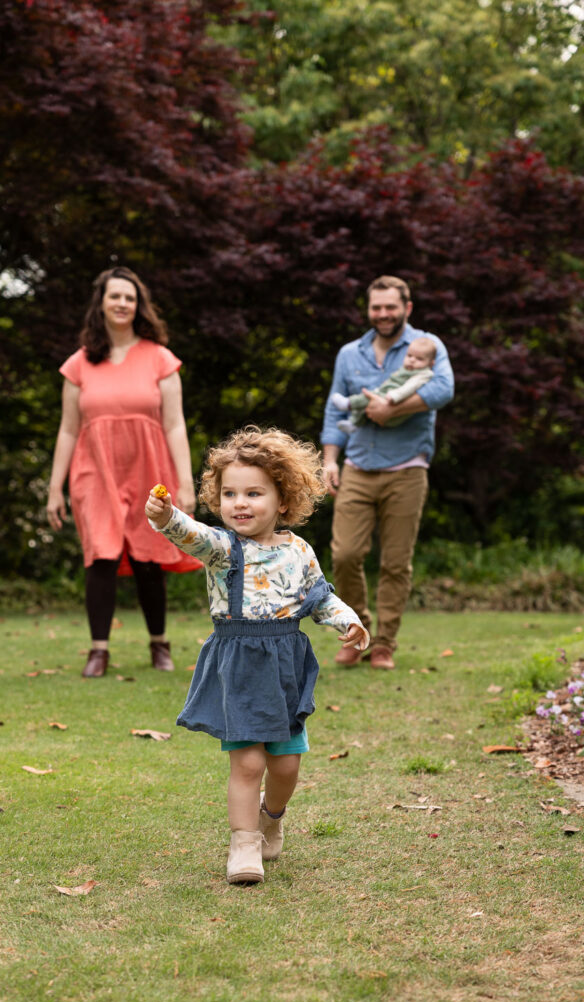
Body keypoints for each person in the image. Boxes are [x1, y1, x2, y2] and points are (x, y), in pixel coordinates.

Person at [145, 427, 369, 885]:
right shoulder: (223, 549)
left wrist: (348, 621)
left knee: (286, 766)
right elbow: (191, 534)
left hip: (286, 666)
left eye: (253, 493)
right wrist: (167, 516)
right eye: (229, 494)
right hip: (240, 665)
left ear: (283, 500)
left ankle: (272, 816)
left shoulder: (298, 551)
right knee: (247, 762)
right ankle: (243, 844)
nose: (239, 504)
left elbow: (320, 597)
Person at [46, 266, 201, 678]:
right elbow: (67, 429)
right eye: (115, 296)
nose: (122, 303)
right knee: (101, 555)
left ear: (138, 306)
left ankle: (159, 643)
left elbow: (175, 425)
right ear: (101, 303)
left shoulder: (160, 358)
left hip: (149, 469)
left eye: (129, 297)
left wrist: (185, 483)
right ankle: (98, 650)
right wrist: (54, 488)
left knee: (149, 556)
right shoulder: (79, 364)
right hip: (94, 472)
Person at [321, 275, 454, 671]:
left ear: (406, 308)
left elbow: (443, 389)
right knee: (345, 555)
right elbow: (333, 410)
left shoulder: (426, 345)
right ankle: (358, 633)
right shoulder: (350, 354)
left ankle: (384, 645)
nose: (383, 314)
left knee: (396, 563)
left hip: (407, 468)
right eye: (376, 307)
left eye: (390, 307)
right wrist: (330, 459)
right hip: (357, 466)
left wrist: (393, 408)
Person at [331, 335, 436, 434]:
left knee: (366, 399)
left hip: (394, 401)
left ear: (431, 363)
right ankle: (354, 423)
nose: (412, 360)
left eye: (419, 359)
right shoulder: (407, 369)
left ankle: (348, 403)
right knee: (366, 404)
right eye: (409, 356)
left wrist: (395, 396)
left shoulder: (424, 373)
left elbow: (410, 386)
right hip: (386, 396)